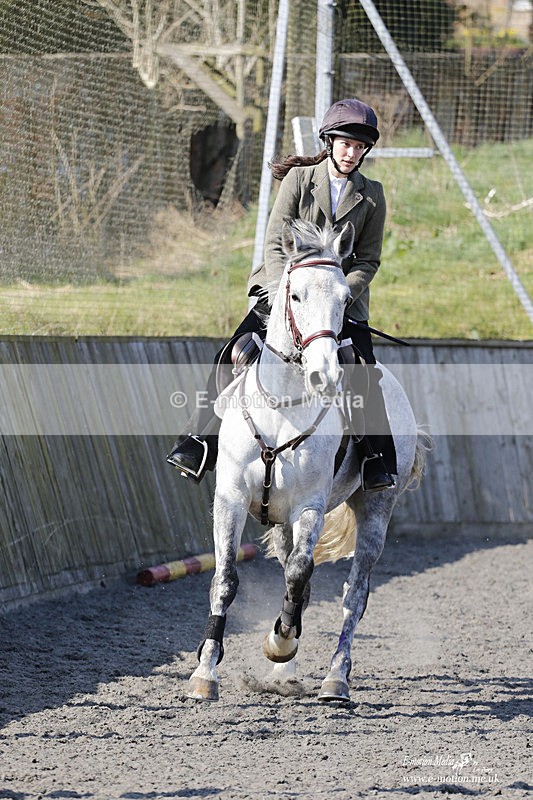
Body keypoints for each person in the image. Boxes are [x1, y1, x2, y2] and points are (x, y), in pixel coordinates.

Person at [167, 97, 396, 492]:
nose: (352, 152)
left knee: (363, 371)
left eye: (360, 147)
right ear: (329, 141)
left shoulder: (372, 195)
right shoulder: (300, 180)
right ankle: (199, 441)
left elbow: (369, 260)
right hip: (284, 292)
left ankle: (377, 460)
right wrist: (280, 292)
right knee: (231, 352)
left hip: (338, 304)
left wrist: (338, 295)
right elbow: (275, 242)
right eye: (345, 143)